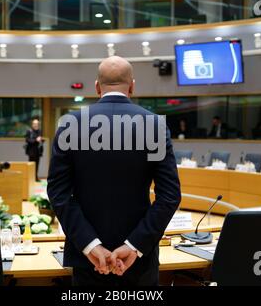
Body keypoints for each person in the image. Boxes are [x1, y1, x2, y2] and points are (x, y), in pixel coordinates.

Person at [47, 56, 181, 286]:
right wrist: (134, 245)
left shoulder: (70, 125)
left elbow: (59, 195)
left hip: (88, 260)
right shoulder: (154, 125)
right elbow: (169, 197)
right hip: (138, 262)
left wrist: (90, 244)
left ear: (97, 87)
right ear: (132, 86)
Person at [25, 117, 43, 182]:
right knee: (31, 165)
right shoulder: (29, 131)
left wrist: (41, 140)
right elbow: (27, 140)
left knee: (37, 165)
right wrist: (35, 140)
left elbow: (40, 139)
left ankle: (35, 177)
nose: (36, 125)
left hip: (38, 151)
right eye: (34, 124)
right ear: (32, 124)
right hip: (31, 151)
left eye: (37, 124)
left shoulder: (40, 131)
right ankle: (30, 178)